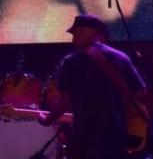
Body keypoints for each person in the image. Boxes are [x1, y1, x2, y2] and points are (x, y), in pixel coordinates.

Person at [39, 14, 147, 159]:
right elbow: (141, 92)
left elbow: (64, 102)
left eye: (75, 33)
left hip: (86, 137)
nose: (73, 39)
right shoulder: (121, 57)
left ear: (84, 31)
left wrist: (46, 120)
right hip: (116, 136)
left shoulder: (71, 62)